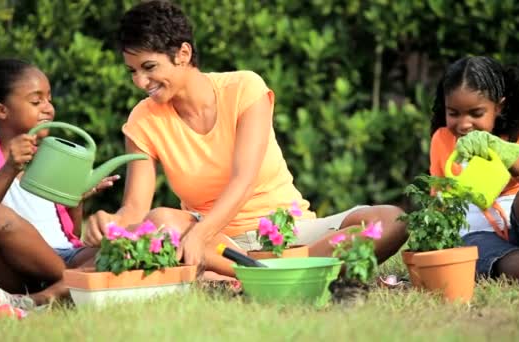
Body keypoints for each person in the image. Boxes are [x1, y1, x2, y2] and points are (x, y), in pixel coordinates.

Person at [85, 0, 408, 278]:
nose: (140, 81)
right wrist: (111, 222)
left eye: (149, 67)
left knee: (391, 220)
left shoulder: (244, 88)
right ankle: (279, 276)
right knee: (161, 221)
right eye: (132, 71)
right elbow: (136, 208)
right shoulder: (143, 120)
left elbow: (243, 181)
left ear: (183, 53)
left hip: (288, 232)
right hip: (218, 244)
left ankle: (247, 275)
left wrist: (198, 236)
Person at [0, 52, 117, 308]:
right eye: (36, 101)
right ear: (0, 110)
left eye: (49, 99)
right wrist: (10, 167)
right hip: (10, 269)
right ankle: (79, 284)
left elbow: (71, 235)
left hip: (64, 256)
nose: (49, 108)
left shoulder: (53, 155)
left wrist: (75, 202)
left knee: (122, 246)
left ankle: (46, 297)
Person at [429, 56, 519, 291]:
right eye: (454, 113)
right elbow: (437, 195)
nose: (464, 124)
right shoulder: (443, 140)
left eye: (476, 113)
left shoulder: (517, 137)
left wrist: (502, 152)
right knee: (492, 255)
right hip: (475, 234)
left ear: (498, 107)